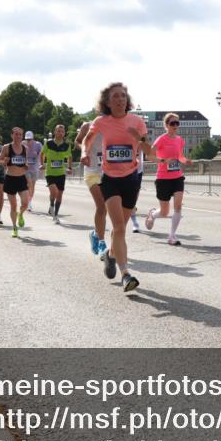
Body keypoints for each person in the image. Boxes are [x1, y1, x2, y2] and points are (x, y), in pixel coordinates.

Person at [80, 82, 148, 292]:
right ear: (108, 102)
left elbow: (149, 151)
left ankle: (110, 255)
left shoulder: (137, 122)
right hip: (110, 179)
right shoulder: (101, 122)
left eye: (123, 95)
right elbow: (86, 141)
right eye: (115, 96)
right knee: (118, 227)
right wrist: (84, 153)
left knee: (121, 228)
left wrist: (139, 139)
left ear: (127, 100)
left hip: (131, 179)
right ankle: (125, 274)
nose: (120, 99)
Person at [145, 113, 192, 245]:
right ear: (166, 125)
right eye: (172, 123)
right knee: (165, 212)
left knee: (178, 206)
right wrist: (163, 160)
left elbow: (180, 156)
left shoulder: (180, 140)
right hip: (163, 178)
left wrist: (185, 160)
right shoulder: (161, 139)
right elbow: (149, 156)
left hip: (177, 177)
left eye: (177, 123)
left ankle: (172, 236)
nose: (175, 125)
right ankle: (153, 214)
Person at [76, 118, 108, 258]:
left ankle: (95, 233)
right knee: (101, 206)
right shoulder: (88, 125)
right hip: (92, 171)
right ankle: (101, 242)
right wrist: (85, 151)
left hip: (108, 172)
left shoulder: (115, 125)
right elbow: (77, 141)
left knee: (108, 207)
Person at [0, 127, 31, 238]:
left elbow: (25, 162)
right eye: (16, 134)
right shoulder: (6, 147)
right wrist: (4, 161)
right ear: (12, 135)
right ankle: (14, 228)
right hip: (10, 179)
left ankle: (21, 214)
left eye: (20, 134)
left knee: (25, 203)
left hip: (21, 178)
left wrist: (26, 165)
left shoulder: (25, 148)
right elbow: (0, 160)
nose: (18, 136)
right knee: (13, 206)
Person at [43, 124, 73, 223]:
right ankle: (51, 204)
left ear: (64, 133)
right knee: (54, 192)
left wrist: (69, 167)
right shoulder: (48, 143)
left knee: (59, 194)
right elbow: (42, 154)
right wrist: (42, 164)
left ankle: (55, 215)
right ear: (55, 132)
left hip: (61, 173)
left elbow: (70, 157)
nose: (60, 133)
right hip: (50, 172)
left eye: (62, 131)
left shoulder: (66, 145)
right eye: (58, 131)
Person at [24, 131, 43, 212]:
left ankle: (29, 202)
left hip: (35, 168)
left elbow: (43, 154)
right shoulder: (23, 144)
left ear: (33, 139)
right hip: (26, 169)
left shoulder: (38, 144)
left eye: (30, 139)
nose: (28, 141)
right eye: (27, 139)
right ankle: (27, 201)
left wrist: (40, 162)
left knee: (32, 186)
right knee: (29, 184)